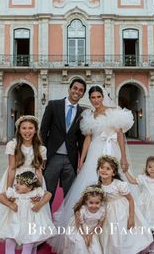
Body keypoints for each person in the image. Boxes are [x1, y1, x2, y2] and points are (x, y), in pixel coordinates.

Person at [50, 85, 134, 241]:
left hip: (111, 150)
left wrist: (123, 157)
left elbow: (120, 136)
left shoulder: (112, 111)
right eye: (93, 98)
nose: (96, 100)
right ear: (89, 99)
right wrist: (81, 161)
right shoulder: (88, 115)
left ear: (103, 97)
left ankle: (115, 222)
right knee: (91, 182)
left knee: (116, 183)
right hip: (95, 151)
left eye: (98, 97)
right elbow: (87, 138)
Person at [0, 115, 47, 254]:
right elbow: (12, 169)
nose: (27, 131)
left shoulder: (41, 149)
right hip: (16, 183)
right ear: (19, 130)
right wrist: (9, 191)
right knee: (13, 220)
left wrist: (39, 192)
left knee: (33, 221)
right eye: (24, 128)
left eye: (30, 128)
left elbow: (39, 171)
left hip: (34, 184)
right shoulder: (13, 145)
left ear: (35, 130)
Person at [97, 155, 153, 254]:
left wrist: (131, 217)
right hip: (108, 215)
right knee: (110, 239)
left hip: (122, 214)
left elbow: (130, 199)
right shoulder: (98, 185)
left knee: (123, 240)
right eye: (101, 168)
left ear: (114, 172)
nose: (104, 171)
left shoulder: (120, 185)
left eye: (108, 169)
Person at [0, 171, 55, 254]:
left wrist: (39, 204)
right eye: (17, 182)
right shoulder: (13, 192)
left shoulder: (36, 192)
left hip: (30, 224)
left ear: (30, 187)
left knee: (28, 244)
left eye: (21, 184)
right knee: (9, 241)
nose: (17, 185)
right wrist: (10, 204)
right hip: (14, 223)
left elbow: (49, 194)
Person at [40, 78, 86, 204]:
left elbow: (82, 140)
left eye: (81, 90)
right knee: (48, 190)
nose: (77, 92)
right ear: (69, 89)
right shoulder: (53, 105)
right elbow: (43, 131)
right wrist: (42, 154)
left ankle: (67, 221)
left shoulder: (83, 113)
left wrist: (83, 161)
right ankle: (46, 219)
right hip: (52, 156)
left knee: (70, 192)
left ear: (83, 94)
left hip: (70, 159)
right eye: (75, 88)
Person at [62, 185, 106, 254]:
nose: (94, 205)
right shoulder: (82, 210)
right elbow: (79, 226)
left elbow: (99, 224)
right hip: (80, 230)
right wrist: (85, 236)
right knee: (81, 246)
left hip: (93, 230)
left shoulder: (102, 210)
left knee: (95, 247)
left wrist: (91, 235)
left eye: (97, 203)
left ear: (101, 202)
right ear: (86, 201)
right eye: (91, 202)